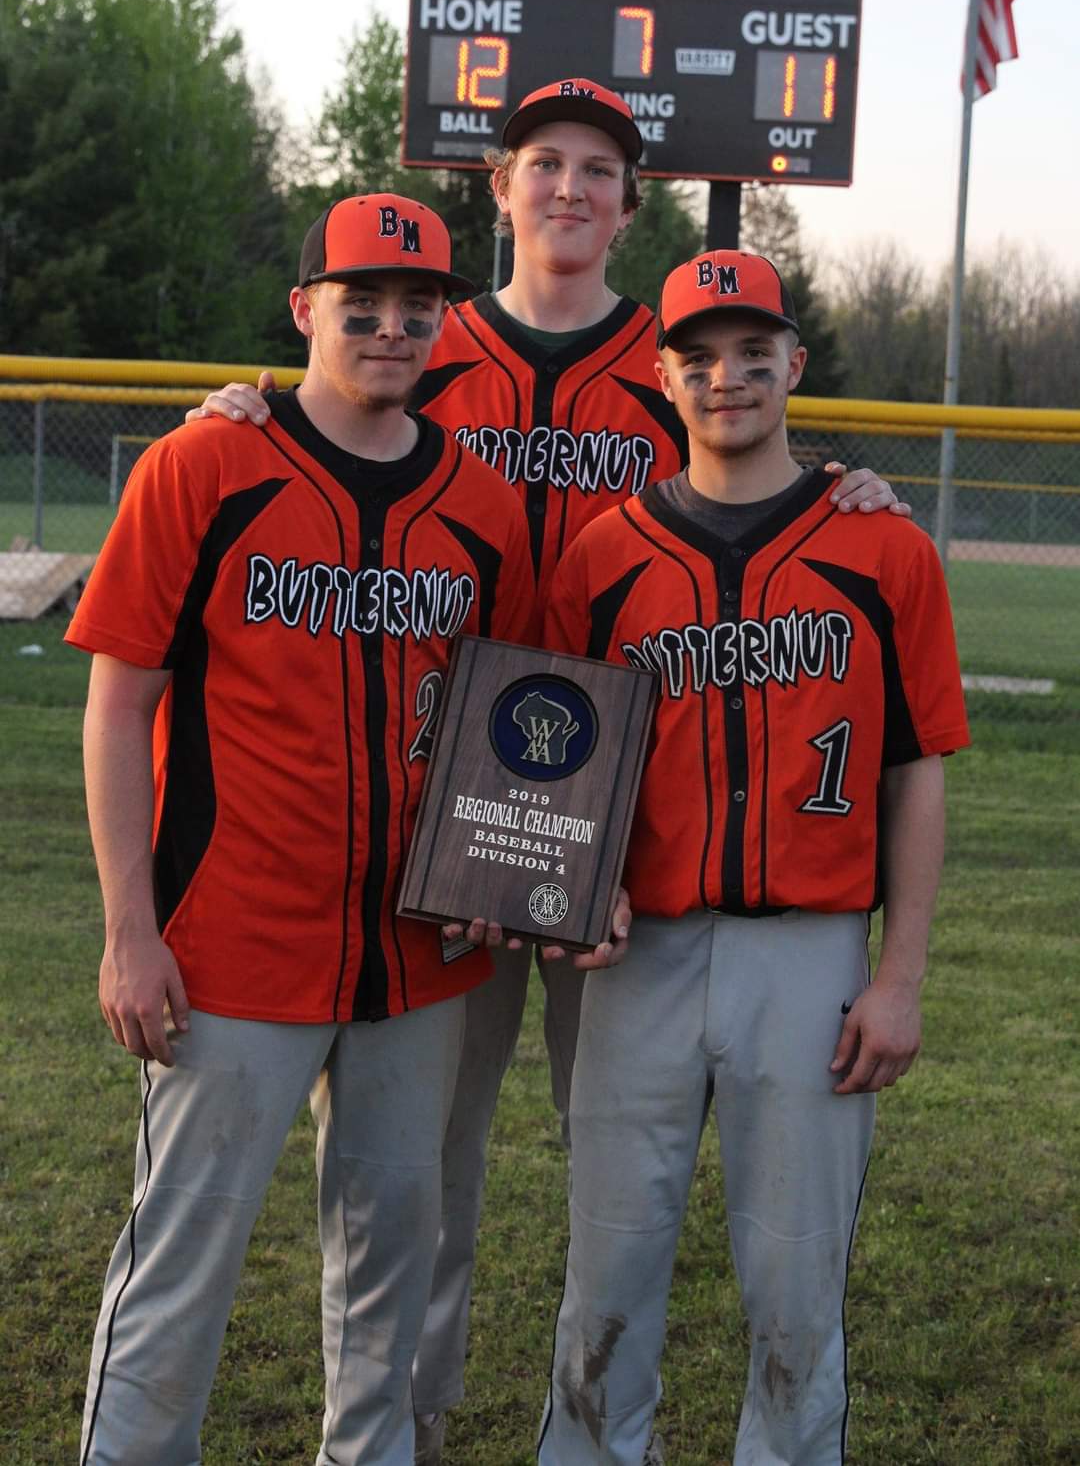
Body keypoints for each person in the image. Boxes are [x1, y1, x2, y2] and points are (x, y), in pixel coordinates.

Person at [186, 82, 908, 1466]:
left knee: (615, 1155)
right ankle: (407, 1424)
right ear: (498, 191)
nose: (569, 190)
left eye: (597, 170)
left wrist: (850, 484)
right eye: (542, 166)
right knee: (422, 1168)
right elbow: (325, 419)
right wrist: (247, 402)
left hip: (622, 823)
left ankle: (593, 1415)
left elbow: (751, 454)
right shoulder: (420, 338)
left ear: (631, 206)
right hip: (432, 811)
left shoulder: (668, 358)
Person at [67, 195, 540, 1466]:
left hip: (419, 953)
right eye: (362, 304)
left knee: (393, 1268)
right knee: (179, 1262)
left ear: (446, 324)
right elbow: (118, 711)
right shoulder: (204, 465)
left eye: (418, 309)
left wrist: (506, 869)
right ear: (304, 310)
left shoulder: (481, 506)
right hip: (230, 943)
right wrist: (131, 934)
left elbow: (513, 722)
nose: (392, 329)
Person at [535, 248, 970, 1466]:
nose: (728, 376)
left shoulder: (884, 547)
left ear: (794, 361)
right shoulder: (603, 555)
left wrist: (901, 976)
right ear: (663, 375)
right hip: (643, 958)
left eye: (751, 350)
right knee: (606, 1273)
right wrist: (579, 880)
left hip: (814, 956)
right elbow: (563, 753)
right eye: (699, 356)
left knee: (795, 1285)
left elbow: (916, 769)